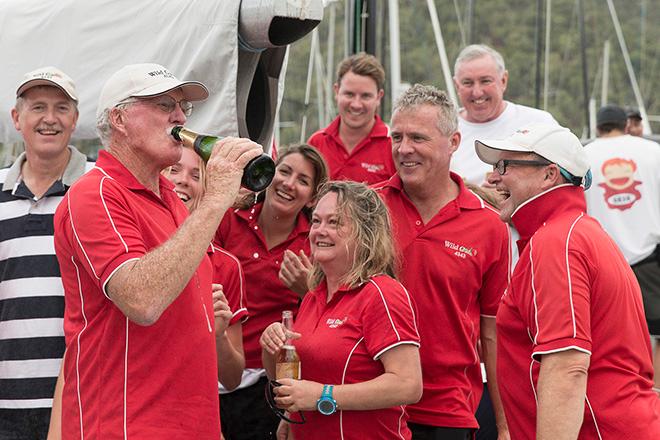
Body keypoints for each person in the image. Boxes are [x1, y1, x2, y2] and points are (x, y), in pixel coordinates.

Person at [53, 63, 263, 439]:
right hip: (125, 425)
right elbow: (143, 299)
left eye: (183, 107)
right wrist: (215, 199)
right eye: (165, 104)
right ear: (119, 118)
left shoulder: (173, 203)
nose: (180, 117)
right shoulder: (94, 193)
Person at [476, 122, 660, 439]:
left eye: (505, 165)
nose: (494, 176)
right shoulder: (578, 231)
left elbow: (567, 367)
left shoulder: (555, 243)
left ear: (549, 174)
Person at [376, 84, 510, 440]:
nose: (404, 149)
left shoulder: (488, 225)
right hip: (369, 400)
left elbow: (493, 333)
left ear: (453, 142)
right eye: (397, 137)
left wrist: (504, 422)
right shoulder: (367, 210)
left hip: (447, 411)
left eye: (418, 138)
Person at [260, 180, 423, 439]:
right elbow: (287, 381)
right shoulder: (314, 295)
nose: (319, 231)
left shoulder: (381, 293)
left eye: (334, 222)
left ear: (365, 232)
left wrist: (323, 396)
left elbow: (408, 385)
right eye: (316, 221)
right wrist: (272, 346)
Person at [0, 66, 92, 439]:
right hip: (6, 401)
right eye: (38, 107)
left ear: (75, 119)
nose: (50, 119)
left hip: (82, 395)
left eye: (61, 108)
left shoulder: (100, 190)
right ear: (17, 118)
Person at [214, 144, 328, 439]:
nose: (289, 184)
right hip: (212, 369)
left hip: (268, 382)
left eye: (303, 181)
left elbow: (331, 318)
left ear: (312, 196)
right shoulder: (229, 218)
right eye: (285, 171)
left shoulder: (314, 242)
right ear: (269, 175)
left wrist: (307, 291)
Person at [584, 104, 660, 391]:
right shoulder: (652, 150)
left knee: (605, 336)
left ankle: (609, 391)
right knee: (658, 334)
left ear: (597, 129)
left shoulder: (585, 154)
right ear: (626, 125)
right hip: (649, 256)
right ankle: (653, 396)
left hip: (603, 258)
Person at [163, 146, 248, 391]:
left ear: (208, 192)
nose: (182, 180)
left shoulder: (226, 266)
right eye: (174, 170)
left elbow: (232, 379)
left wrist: (218, 336)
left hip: (194, 407)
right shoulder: (134, 243)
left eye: (196, 175)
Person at [452, 44, 558, 186]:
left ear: (503, 80)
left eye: (485, 81)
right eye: (468, 83)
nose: (477, 92)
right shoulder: (442, 130)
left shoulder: (539, 123)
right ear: (457, 86)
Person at [307, 52, 395, 185]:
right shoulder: (317, 142)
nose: (356, 104)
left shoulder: (394, 146)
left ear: (379, 97)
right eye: (349, 94)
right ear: (336, 91)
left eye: (365, 96)